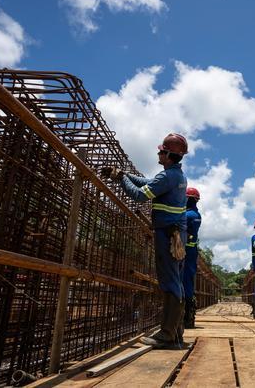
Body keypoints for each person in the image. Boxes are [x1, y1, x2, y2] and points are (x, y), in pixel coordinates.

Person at [101, 133, 189, 349]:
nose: (158, 153)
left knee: (169, 282)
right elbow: (149, 182)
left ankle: (167, 335)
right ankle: (175, 332)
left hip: (168, 235)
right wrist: (124, 174)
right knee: (175, 281)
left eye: (161, 150)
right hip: (174, 234)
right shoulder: (175, 175)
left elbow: (141, 195)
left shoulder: (167, 177)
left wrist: (121, 179)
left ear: (168, 154)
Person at [182, 187, 202, 328]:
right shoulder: (194, 214)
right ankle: (187, 317)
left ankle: (186, 317)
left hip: (186, 252)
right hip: (190, 251)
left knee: (184, 281)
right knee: (186, 281)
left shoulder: (189, 215)